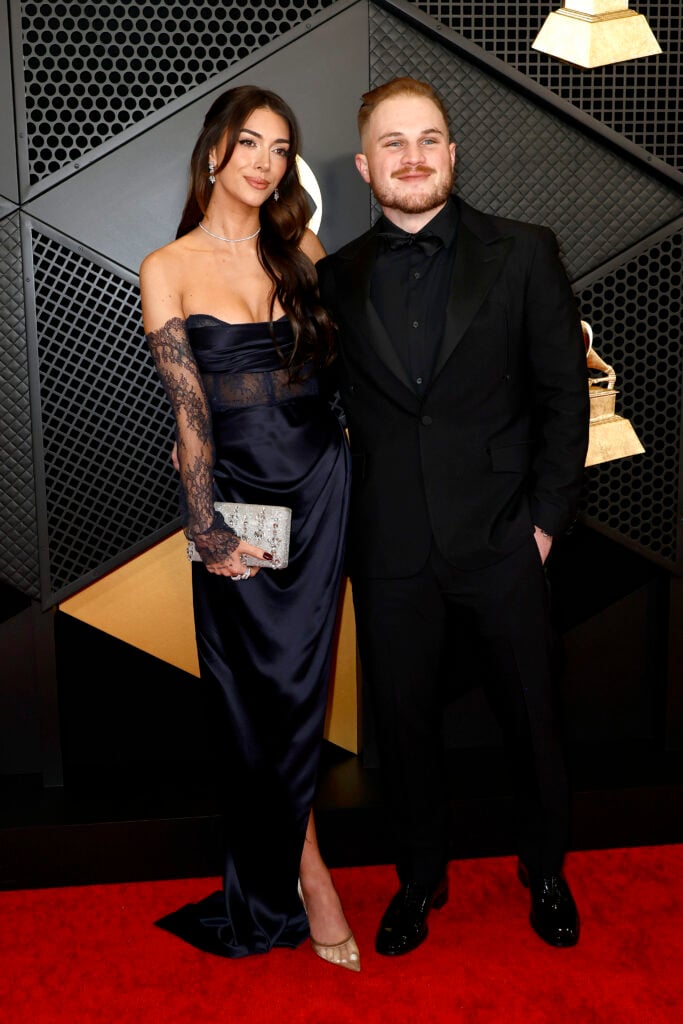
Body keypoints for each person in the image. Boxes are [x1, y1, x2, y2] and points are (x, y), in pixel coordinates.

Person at [316, 77, 589, 956]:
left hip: (505, 537)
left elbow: (563, 399)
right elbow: (317, 413)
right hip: (389, 547)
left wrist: (542, 524)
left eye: (428, 139)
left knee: (533, 720)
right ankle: (419, 879)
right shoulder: (333, 277)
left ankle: (544, 871)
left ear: (452, 154)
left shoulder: (524, 252)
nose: (413, 157)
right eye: (393, 144)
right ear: (365, 166)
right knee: (403, 728)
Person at [139, 85, 358, 970]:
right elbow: (189, 416)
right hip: (237, 504)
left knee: (303, 691)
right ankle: (312, 882)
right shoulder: (169, 266)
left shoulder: (300, 247)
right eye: (250, 144)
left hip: (323, 484)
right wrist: (206, 527)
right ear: (214, 153)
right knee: (260, 699)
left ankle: (304, 876)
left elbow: (334, 375)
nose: (265, 162)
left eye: (279, 148)